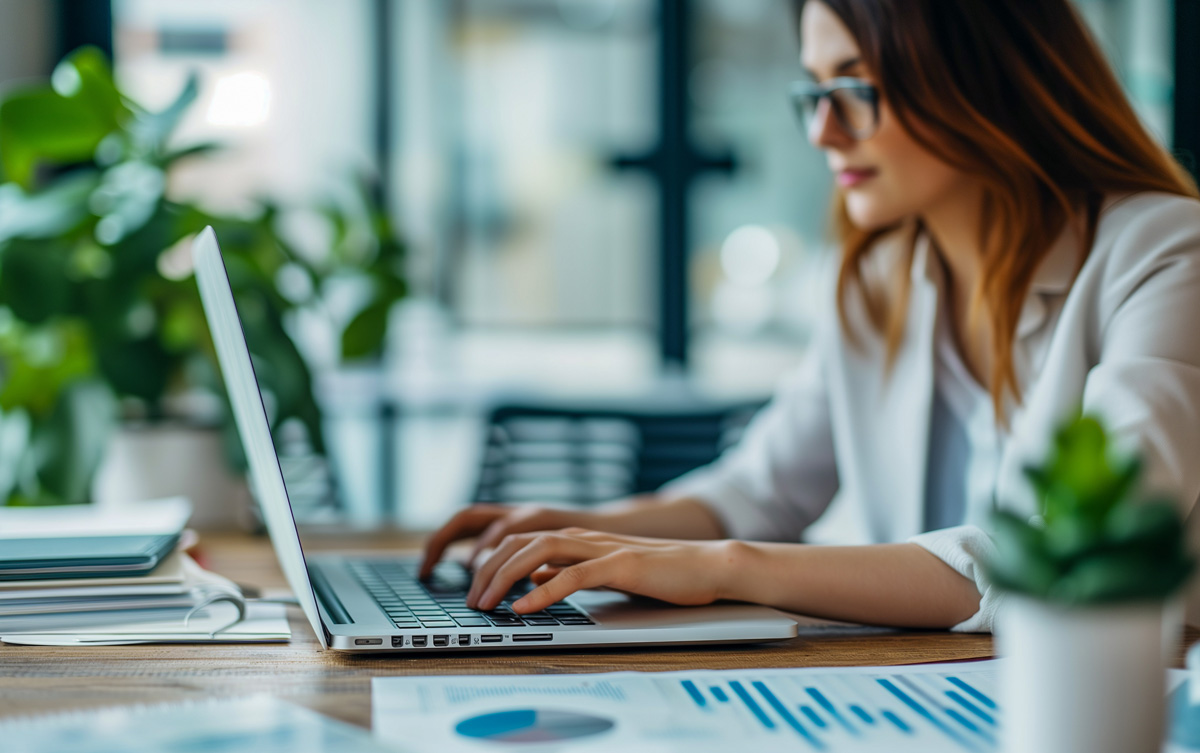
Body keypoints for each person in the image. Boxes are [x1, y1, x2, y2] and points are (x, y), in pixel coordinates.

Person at [420, 0, 1200, 632]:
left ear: (983, 80)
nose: (824, 132)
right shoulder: (877, 276)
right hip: (932, 694)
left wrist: (725, 567)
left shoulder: (1167, 254)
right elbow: (759, 491)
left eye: (857, 90)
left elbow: (1071, 559)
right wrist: (588, 532)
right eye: (815, 93)